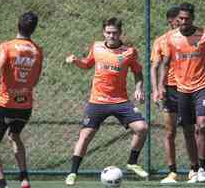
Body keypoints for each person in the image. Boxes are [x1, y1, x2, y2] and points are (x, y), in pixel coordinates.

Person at [64, 17, 149, 186]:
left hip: (120, 101)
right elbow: (87, 64)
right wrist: (76, 61)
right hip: (97, 101)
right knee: (85, 135)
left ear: (120, 33)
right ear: (104, 33)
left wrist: (139, 88)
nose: (111, 36)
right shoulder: (96, 47)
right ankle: (73, 173)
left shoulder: (129, 52)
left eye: (115, 33)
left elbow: (138, 72)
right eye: (108, 32)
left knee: (142, 128)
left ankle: (132, 162)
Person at [159, 2, 205, 183]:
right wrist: (162, 86)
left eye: (187, 18)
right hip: (182, 90)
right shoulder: (171, 38)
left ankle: (202, 167)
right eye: (181, 19)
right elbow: (164, 64)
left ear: (193, 18)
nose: (184, 21)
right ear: (177, 19)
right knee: (187, 130)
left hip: (202, 88)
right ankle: (194, 168)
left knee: (201, 126)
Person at [0, 11, 43, 188]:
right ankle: (24, 178)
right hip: (25, 105)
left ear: (18, 24)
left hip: (6, 104)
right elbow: (35, 79)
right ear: (33, 29)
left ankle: (3, 184)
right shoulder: (38, 51)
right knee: (15, 135)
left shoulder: (7, 46)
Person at [150, 5, 181, 184]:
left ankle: (197, 168)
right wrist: (156, 90)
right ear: (171, 21)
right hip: (169, 89)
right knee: (170, 132)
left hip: (190, 88)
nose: (179, 23)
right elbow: (154, 67)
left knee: (193, 129)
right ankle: (172, 172)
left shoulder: (193, 39)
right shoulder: (161, 41)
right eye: (176, 21)